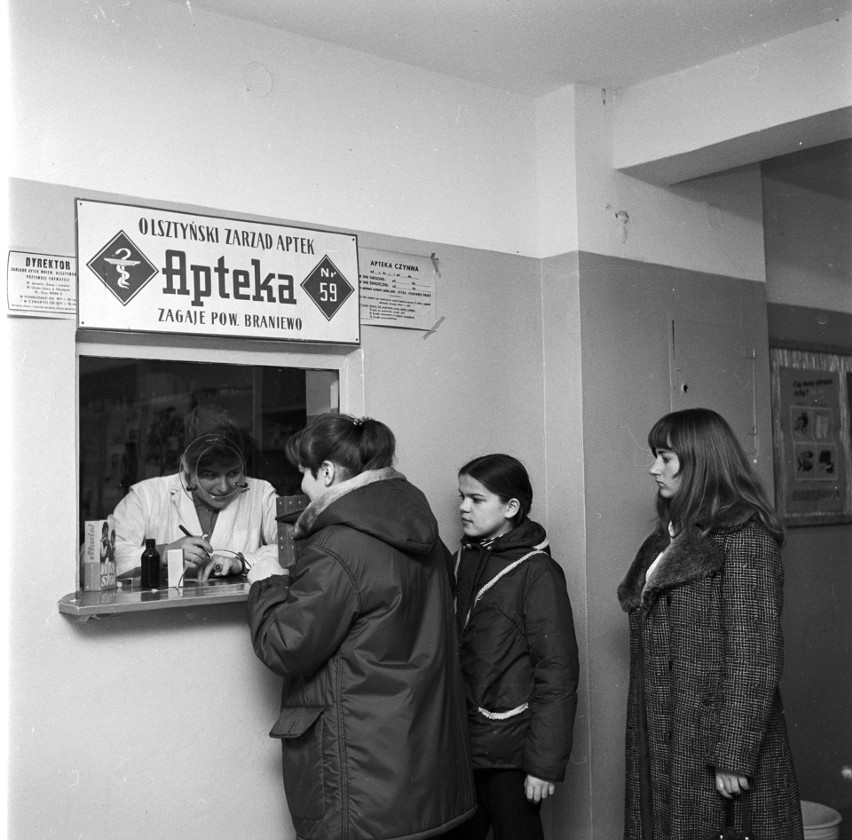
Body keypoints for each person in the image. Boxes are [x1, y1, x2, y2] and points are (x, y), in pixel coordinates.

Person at [246, 414, 476, 840]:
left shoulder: (337, 548)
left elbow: (284, 645)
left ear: (328, 472)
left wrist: (266, 582)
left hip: (362, 778)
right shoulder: (420, 529)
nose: (301, 487)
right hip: (424, 773)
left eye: (304, 475)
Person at [617, 408, 804, 840]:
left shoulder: (744, 538)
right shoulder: (671, 538)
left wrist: (734, 754)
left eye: (665, 457)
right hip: (667, 735)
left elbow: (754, 656)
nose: (653, 468)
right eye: (654, 456)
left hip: (714, 744)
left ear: (699, 461)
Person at [446, 453, 579, 840]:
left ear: (511, 507)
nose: (462, 507)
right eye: (461, 496)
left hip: (512, 754)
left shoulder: (537, 571)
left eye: (476, 499)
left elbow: (557, 672)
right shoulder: (459, 562)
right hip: (463, 746)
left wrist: (544, 764)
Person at [112, 416, 278, 581]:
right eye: (210, 475)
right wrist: (161, 553)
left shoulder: (261, 493)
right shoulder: (147, 496)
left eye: (233, 473)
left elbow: (294, 548)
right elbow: (100, 557)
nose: (224, 487)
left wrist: (242, 562)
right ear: (186, 465)